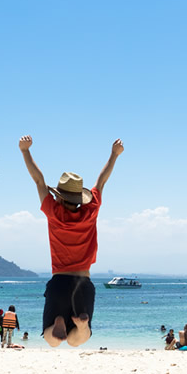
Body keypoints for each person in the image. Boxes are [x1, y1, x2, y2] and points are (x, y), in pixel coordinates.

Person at [19, 135, 123, 347]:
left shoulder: (53, 212)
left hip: (59, 282)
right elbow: (102, 181)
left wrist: (25, 151)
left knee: (52, 340)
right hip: (83, 283)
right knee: (78, 340)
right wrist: (114, 155)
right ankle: (82, 326)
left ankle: (56, 324)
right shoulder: (90, 210)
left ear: (59, 195)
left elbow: (38, 180)